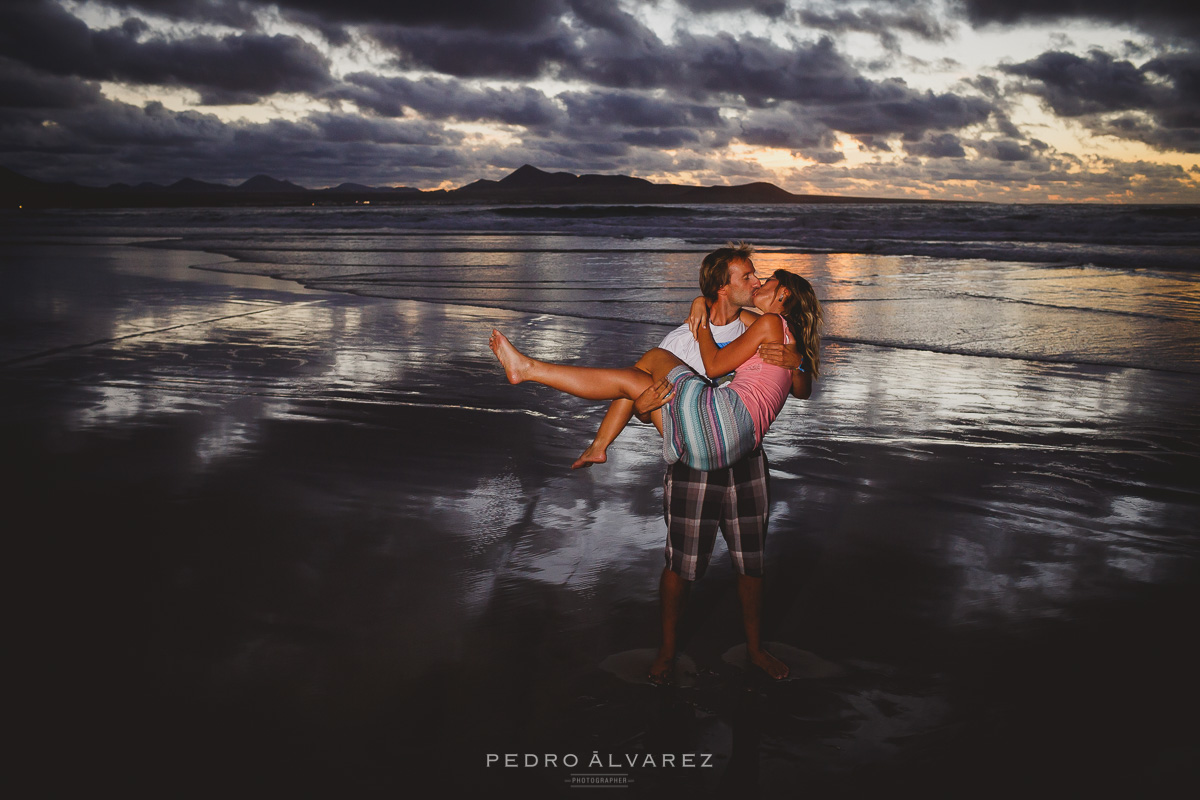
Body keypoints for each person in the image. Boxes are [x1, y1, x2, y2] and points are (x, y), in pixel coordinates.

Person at [490, 246, 823, 683]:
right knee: (681, 563)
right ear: (723, 287)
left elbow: (797, 386)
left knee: (751, 562)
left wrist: (798, 360)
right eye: (749, 276)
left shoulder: (756, 324)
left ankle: (564, 406)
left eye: (761, 279)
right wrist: (645, 405)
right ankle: (667, 652)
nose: (757, 281)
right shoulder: (682, 340)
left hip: (745, 458)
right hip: (696, 456)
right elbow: (649, 409)